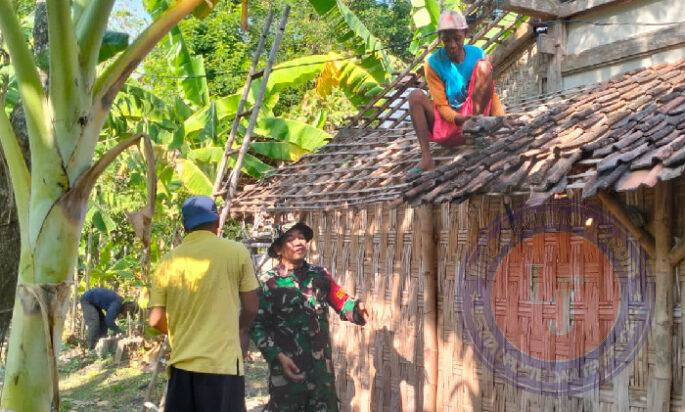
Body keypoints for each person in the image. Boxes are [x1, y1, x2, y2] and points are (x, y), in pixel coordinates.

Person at [148, 195, 259, 412]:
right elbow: (252, 307)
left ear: (185, 226)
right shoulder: (236, 252)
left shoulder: (168, 261)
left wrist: (178, 336)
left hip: (182, 366)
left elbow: (155, 319)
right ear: (217, 221)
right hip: (223, 365)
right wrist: (237, 330)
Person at [251, 222, 370, 412]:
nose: (299, 242)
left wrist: (357, 308)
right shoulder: (268, 284)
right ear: (279, 249)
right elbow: (256, 326)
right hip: (288, 378)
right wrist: (277, 356)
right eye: (290, 239)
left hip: (321, 377)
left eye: (301, 237)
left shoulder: (320, 276)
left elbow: (342, 301)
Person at [408, 9, 505, 173]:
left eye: (457, 39)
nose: (452, 45)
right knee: (415, 96)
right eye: (446, 40)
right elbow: (441, 105)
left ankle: (477, 133)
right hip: (450, 124)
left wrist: (501, 118)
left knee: (484, 66)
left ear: (465, 34)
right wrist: (460, 119)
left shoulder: (477, 54)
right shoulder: (432, 63)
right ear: (440, 38)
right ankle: (426, 158)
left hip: (475, 120)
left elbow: (490, 92)